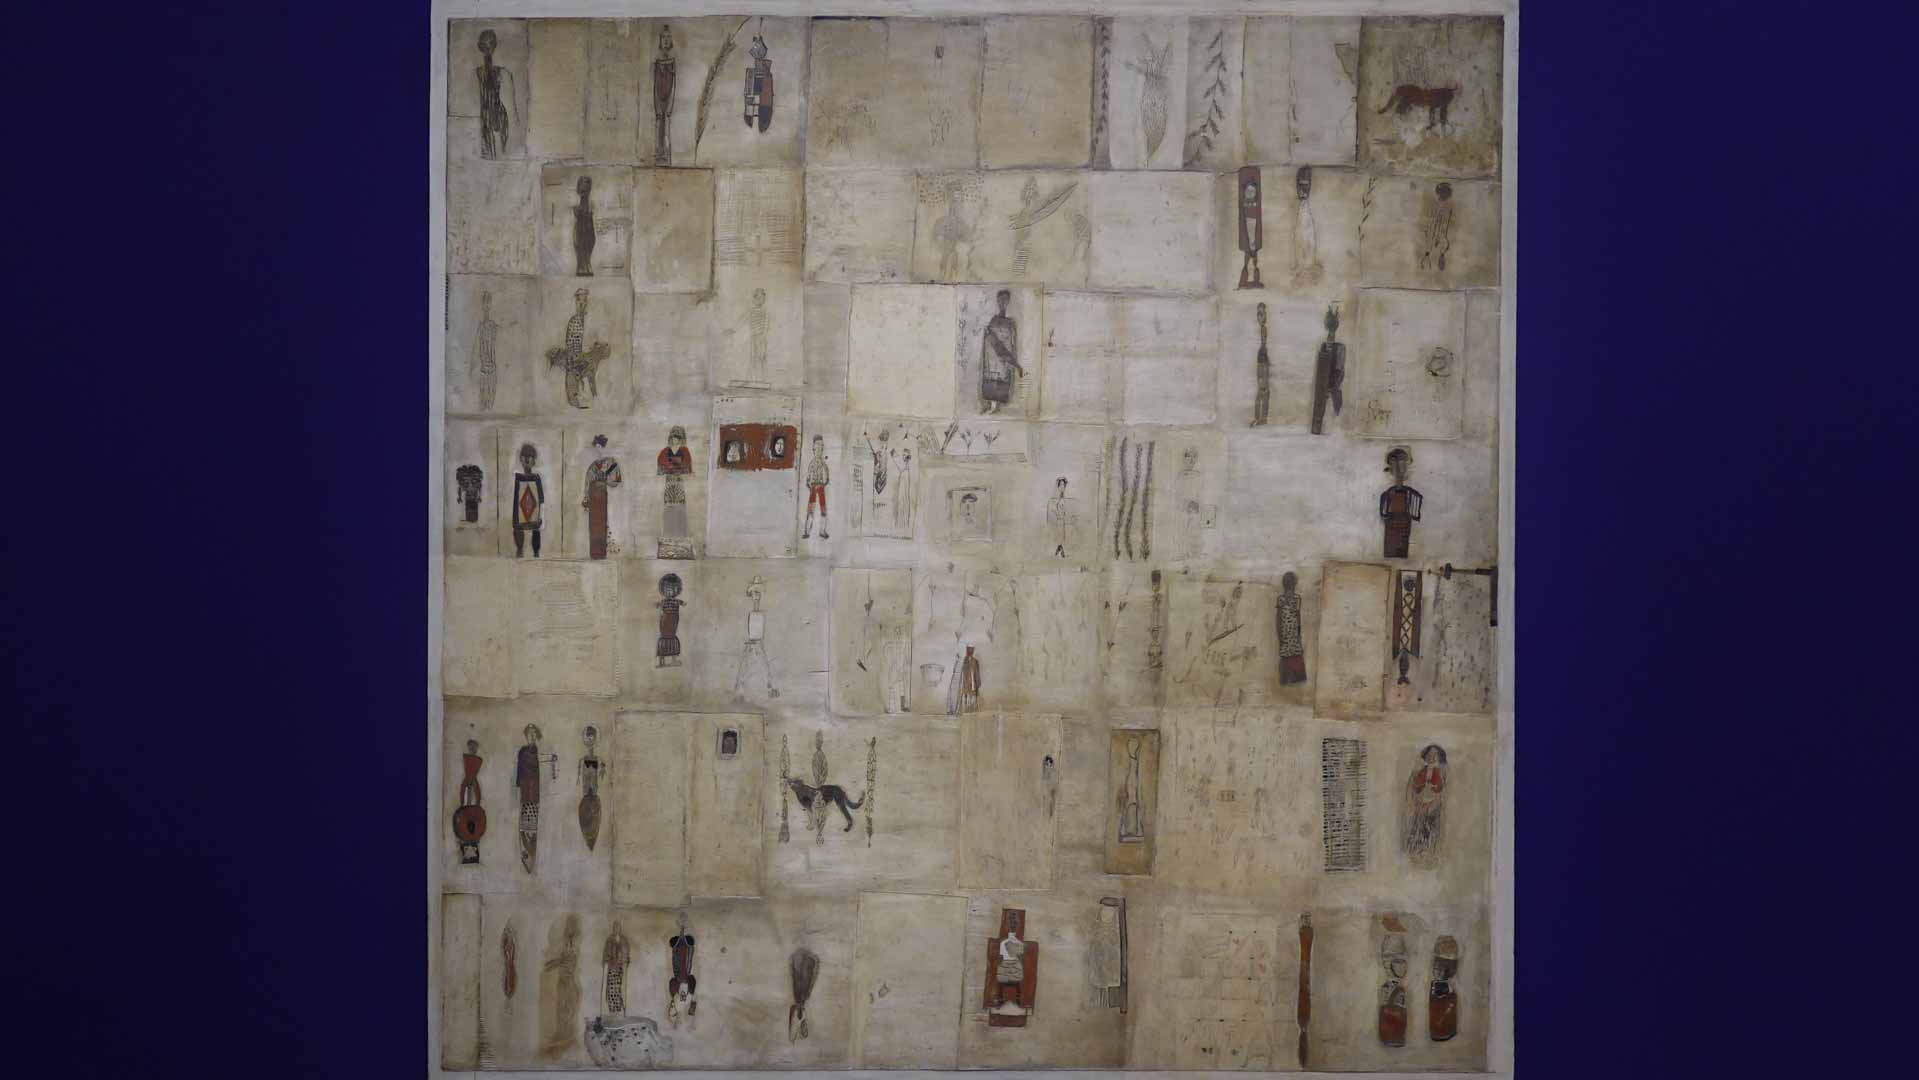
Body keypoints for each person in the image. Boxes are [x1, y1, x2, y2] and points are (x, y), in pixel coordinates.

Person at [475, 29, 517, 160]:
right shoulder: (479, 72)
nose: (488, 48)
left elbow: (508, 102)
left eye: (491, 44)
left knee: (499, 148)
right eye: (485, 45)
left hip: (498, 113)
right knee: (488, 148)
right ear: (480, 46)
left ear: (495, 45)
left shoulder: (502, 72)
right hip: (485, 115)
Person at [980, 289, 1022, 412]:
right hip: (992, 359)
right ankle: (989, 405)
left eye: (1005, 300)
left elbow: (1012, 344)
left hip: (1004, 361)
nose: (1003, 303)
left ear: (1008, 302)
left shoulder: (1010, 324)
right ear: (998, 302)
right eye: (1001, 300)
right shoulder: (992, 321)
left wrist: (1013, 362)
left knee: (1002, 382)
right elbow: (988, 342)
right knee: (990, 381)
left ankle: (996, 407)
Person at [1378, 447, 1423, 559]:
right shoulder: (1386, 494)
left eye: (1402, 464)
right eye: (1394, 465)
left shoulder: (1412, 494)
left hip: (1403, 526)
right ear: (1390, 469)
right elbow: (1383, 513)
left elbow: (1415, 512)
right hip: (1392, 527)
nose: (1398, 470)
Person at [512, 443, 545, 558]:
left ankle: (536, 551)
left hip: (533, 510)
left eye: (530, 456)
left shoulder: (536, 478)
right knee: (518, 527)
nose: (526, 459)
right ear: (521, 459)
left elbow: (541, 498)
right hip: (520, 511)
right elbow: (516, 499)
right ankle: (519, 549)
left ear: (534, 461)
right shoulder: (517, 477)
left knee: (535, 528)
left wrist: (540, 514)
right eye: (524, 456)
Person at [802, 434, 829, 539]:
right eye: (818, 445)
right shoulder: (812, 463)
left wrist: (825, 481)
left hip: (821, 487)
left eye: (821, 446)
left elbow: (827, 474)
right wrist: (810, 484)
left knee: (823, 509)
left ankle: (822, 531)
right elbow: (808, 477)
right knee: (811, 510)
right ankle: (807, 531)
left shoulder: (823, 463)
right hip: (813, 487)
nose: (820, 448)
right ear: (813, 448)